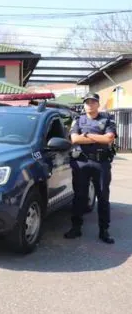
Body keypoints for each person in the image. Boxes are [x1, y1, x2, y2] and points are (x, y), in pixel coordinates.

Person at [64, 92, 117, 244]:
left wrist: (86, 135)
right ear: (84, 104)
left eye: (93, 102)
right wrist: (97, 137)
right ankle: (76, 228)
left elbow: (108, 138)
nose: (90, 104)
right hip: (81, 162)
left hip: (101, 163)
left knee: (103, 197)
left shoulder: (107, 119)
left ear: (98, 104)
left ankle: (104, 230)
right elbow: (74, 138)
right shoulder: (78, 120)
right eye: (87, 102)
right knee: (79, 196)